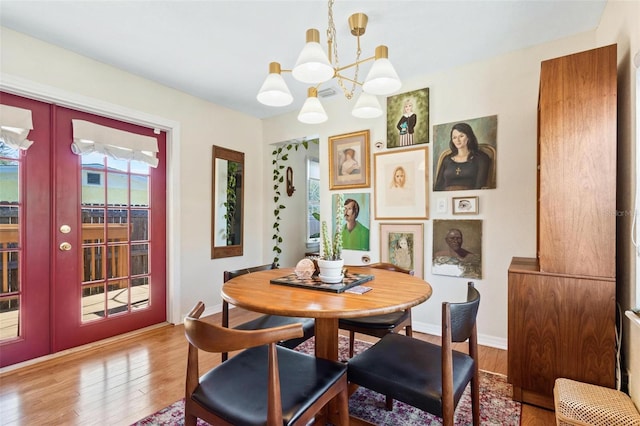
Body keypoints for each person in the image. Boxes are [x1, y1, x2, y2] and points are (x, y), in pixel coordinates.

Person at [434, 122, 491, 191]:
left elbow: (480, 186)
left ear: (468, 137)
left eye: (461, 136)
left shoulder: (481, 158)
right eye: (454, 137)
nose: (457, 140)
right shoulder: (447, 159)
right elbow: (438, 186)